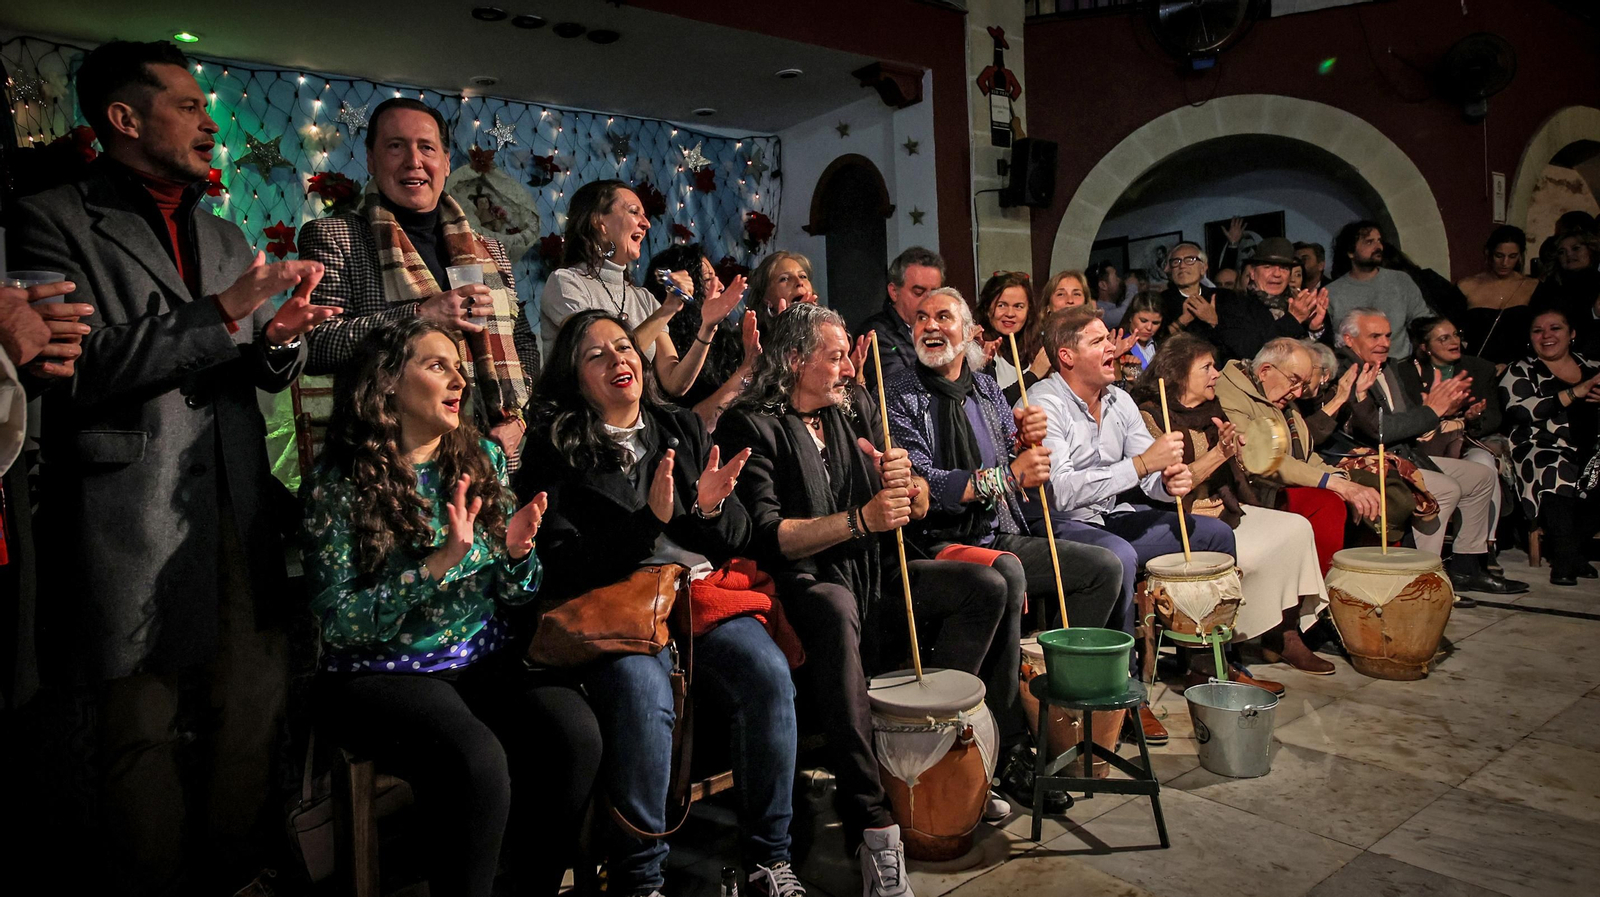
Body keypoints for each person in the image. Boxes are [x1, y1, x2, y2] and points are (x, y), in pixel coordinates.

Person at [6, 39, 340, 893]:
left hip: (235, 504)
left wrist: (275, 343)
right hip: (126, 509)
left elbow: (247, 370)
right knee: (141, 729)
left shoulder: (225, 234)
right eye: (188, 105)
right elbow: (70, 368)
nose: (208, 120)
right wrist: (225, 314)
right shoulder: (52, 218)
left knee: (253, 708)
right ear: (123, 117)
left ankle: (231, 874)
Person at [716, 303, 1018, 897]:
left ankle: (922, 745)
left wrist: (907, 484)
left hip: (873, 569)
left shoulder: (854, 405)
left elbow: (915, 503)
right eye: (834, 358)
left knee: (985, 588)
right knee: (834, 608)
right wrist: (861, 518)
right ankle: (872, 819)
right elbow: (770, 535)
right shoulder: (752, 424)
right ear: (798, 361)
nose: (847, 369)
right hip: (800, 580)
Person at [519, 309, 806, 897]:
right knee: (642, 693)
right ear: (574, 376)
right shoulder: (557, 447)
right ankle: (640, 878)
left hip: (695, 592)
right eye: (596, 354)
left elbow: (737, 535)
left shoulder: (679, 427)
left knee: (767, 673)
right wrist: (649, 520)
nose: (618, 360)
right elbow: (564, 562)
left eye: (624, 348)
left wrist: (703, 509)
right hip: (614, 605)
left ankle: (769, 861)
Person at [302, 319, 593, 897]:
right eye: (437, 365)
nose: (459, 378)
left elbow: (517, 594)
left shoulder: (481, 456)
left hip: (478, 657)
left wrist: (514, 555)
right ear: (387, 383)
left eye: (458, 366)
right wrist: (438, 564)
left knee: (573, 732)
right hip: (377, 671)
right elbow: (339, 622)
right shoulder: (340, 481)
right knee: (475, 759)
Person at [882, 288, 1137, 770]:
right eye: (920, 318)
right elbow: (923, 483)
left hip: (996, 530)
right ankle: (1011, 743)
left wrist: (1025, 440)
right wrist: (1007, 474)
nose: (930, 326)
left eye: (942, 316)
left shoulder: (984, 389)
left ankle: (1060, 706)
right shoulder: (899, 392)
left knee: (1101, 568)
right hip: (936, 541)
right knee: (1008, 572)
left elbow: (1011, 457)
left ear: (969, 333)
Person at [1024, 307, 1257, 690]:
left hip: (1108, 515)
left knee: (1215, 535)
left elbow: (1151, 476)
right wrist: (1142, 464)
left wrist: (1169, 480)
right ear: (1066, 356)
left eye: (1108, 339)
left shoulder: (1118, 400)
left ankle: (1207, 662)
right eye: (1097, 341)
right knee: (1120, 555)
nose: (1111, 348)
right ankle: (1125, 685)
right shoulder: (1043, 404)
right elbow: (1060, 492)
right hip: (1054, 524)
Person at [297, 98, 538, 457]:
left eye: (426, 147)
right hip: (387, 461)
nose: (413, 161)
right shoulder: (336, 237)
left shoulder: (489, 249)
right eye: (396, 146)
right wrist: (420, 315)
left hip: (495, 457)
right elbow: (316, 345)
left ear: (445, 161)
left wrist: (518, 420)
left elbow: (523, 342)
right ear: (371, 159)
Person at [1132, 335, 1331, 679]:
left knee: (1296, 528)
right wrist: (1218, 455)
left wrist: (1241, 452)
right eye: (1206, 368)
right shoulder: (1151, 415)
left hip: (1224, 506)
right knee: (1247, 553)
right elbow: (1170, 486)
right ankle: (1225, 644)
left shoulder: (1213, 410)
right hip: (1181, 517)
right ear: (1180, 373)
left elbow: (1241, 463)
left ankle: (1284, 633)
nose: (1215, 375)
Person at [1335, 309, 1527, 596]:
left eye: (1387, 335)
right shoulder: (1347, 371)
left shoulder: (1387, 367)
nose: (1384, 343)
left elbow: (1408, 418)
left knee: (1481, 476)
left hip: (1405, 455)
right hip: (1373, 462)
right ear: (1349, 340)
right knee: (1445, 488)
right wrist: (1431, 412)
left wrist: (1440, 411)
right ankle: (1423, 577)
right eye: (1375, 336)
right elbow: (1379, 430)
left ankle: (1467, 568)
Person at [539, 179, 747, 402]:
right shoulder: (567, 283)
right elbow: (605, 361)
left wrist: (707, 326)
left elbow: (675, 383)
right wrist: (666, 310)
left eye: (645, 216)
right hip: (580, 423)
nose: (646, 224)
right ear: (600, 222)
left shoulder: (644, 299)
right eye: (634, 212)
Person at [1215, 339, 1390, 583]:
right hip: (1251, 492)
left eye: (1303, 384)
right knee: (1327, 503)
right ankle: (1318, 597)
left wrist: (1342, 480)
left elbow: (1305, 454)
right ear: (1265, 371)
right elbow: (1263, 460)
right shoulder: (1230, 394)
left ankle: (1367, 590)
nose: (1298, 393)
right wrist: (1334, 484)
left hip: (1285, 484)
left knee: (1376, 495)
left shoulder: (1280, 398)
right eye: (1294, 381)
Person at [1499, 306, 1600, 585]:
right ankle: (1565, 560)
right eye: (1538, 330)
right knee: (1556, 466)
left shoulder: (1593, 367)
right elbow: (1521, 411)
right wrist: (1575, 392)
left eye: (1555, 328)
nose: (1546, 335)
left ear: (1572, 334)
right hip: (1539, 446)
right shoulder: (1520, 370)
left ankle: (1572, 549)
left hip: (1592, 448)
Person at [1402, 316, 1506, 559]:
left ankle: (1483, 551)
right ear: (1425, 347)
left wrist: (1472, 418)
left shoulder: (1480, 368)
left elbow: (1494, 417)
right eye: (1444, 338)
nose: (1454, 341)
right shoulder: (1406, 371)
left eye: (1455, 335)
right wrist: (1436, 413)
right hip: (1421, 444)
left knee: (1484, 466)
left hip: (1467, 438)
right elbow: (1407, 417)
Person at [648, 243, 762, 429]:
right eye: (708, 280)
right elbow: (698, 420)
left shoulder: (726, 340)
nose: (721, 286)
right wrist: (747, 369)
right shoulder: (663, 334)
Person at [1167, 237, 1324, 363]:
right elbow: (1252, 351)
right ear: (1253, 274)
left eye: (1284, 268)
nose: (1277, 274)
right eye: (1268, 267)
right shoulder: (1234, 303)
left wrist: (1315, 329)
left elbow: (1325, 357)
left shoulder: (1302, 303)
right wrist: (1293, 320)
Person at [1327, 221, 1432, 358]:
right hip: (1354, 369)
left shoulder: (1400, 280)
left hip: (1400, 366)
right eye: (1369, 242)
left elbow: (1422, 320)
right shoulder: (1332, 292)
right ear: (1351, 252)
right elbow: (1330, 339)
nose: (1378, 247)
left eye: (1379, 241)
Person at [854, 246, 944, 389]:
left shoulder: (945, 331)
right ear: (894, 291)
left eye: (934, 293)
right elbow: (898, 391)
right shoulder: (876, 334)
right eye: (919, 292)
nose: (929, 300)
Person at [1457, 226, 1538, 371]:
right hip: (1477, 366)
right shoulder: (1467, 286)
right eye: (1499, 256)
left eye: (1512, 256)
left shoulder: (1532, 286)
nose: (1505, 263)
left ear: (1520, 256)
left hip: (1521, 367)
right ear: (1489, 253)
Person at [974, 270, 1043, 397]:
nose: (1010, 314)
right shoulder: (980, 350)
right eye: (1001, 305)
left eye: (1018, 306)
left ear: (1029, 311)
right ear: (987, 309)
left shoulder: (1038, 348)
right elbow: (994, 407)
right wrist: (1033, 375)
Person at [749, 249, 819, 338]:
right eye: (784, 279)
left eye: (802, 276)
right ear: (766, 298)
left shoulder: (832, 331)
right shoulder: (755, 343)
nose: (799, 282)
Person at [1116, 291, 1163, 384]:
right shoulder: (1115, 343)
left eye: (1155, 323)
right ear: (1131, 317)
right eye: (1143, 321)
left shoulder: (1163, 345)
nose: (1149, 327)